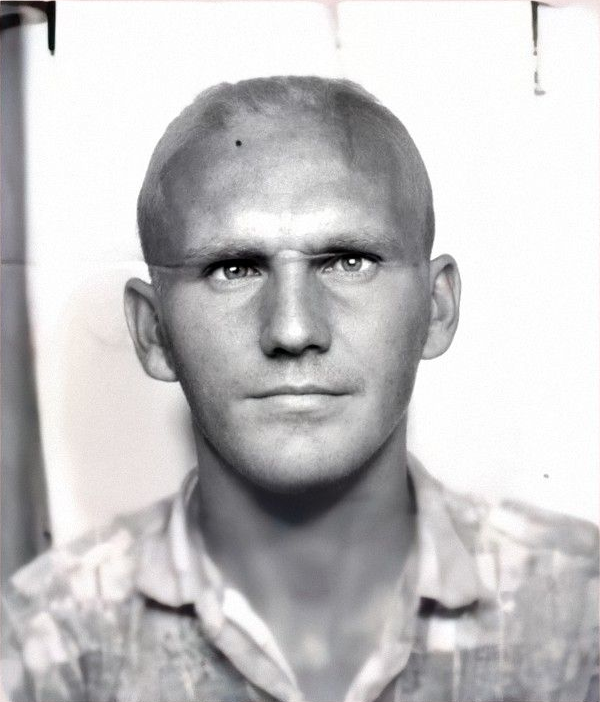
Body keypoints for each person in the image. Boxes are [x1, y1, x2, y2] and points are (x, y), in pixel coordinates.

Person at [1, 76, 598, 702]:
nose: (292, 329)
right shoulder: (42, 645)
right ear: (153, 332)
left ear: (437, 307)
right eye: (234, 268)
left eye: (348, 261)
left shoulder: (581, 612)